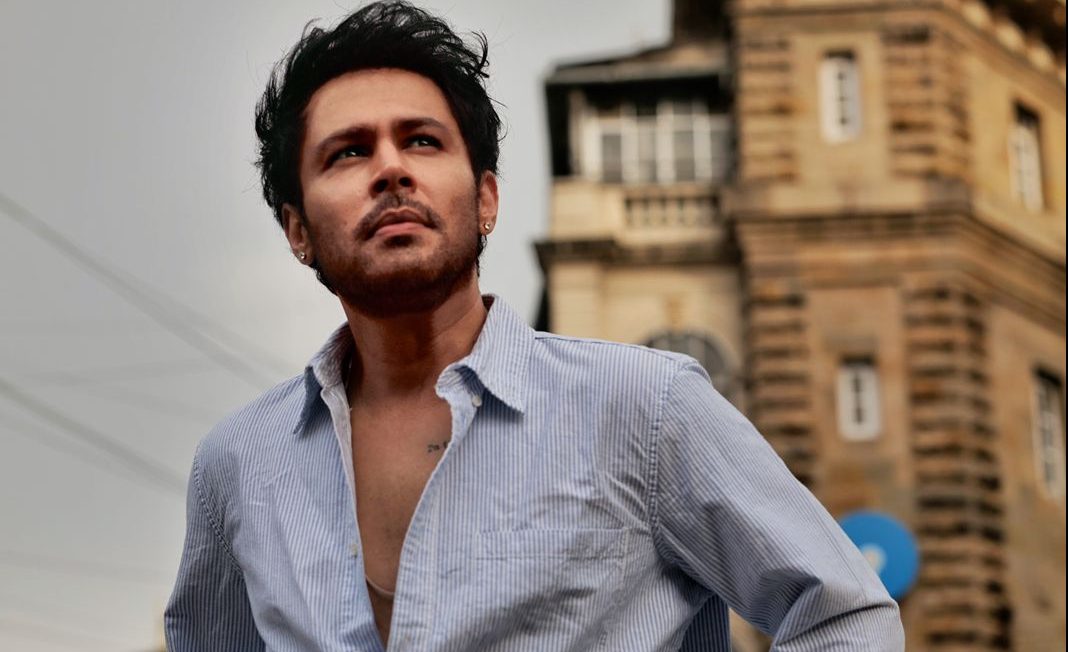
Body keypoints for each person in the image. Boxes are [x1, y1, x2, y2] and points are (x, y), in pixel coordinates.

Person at [164, 2, 904, 650]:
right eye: (348, 152)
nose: (390, 169)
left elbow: (843, 612)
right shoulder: (239, 465)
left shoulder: (645, 408)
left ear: (486, 198)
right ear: (298, 230)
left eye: (422, 141)